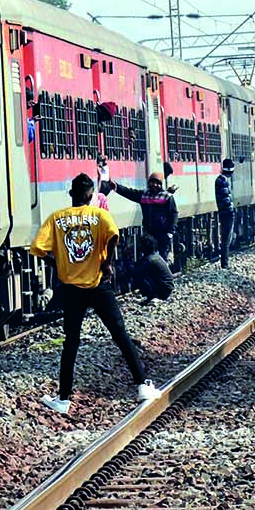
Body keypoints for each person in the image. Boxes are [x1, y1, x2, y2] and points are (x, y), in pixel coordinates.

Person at [30, 173, 160, 414]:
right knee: (120, 334)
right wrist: (107, 263)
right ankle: (142, 386)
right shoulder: (99, 215)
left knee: (71, 342)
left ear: (71, 194)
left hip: (72, 290)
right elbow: (113, 236)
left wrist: (57, 262)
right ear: (91, 196)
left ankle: (63, 399)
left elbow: (37, 248)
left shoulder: (56, 219)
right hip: (99, 285)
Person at [103, 171, 179, 262]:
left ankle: (162, 273)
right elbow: (130, 193)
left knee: (162, 256)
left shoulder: (167, 197)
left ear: (161, 185)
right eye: (152, 182)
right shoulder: (144, 195)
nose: (154, 185)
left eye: (157, 183)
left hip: (163, 233)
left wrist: (170, 232)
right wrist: (116, 187)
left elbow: (174, 214)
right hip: (150, 233)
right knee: (150, 256)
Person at [131, 233, 174, 303]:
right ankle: (152, 295)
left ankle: (152, 295)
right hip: (167, 287)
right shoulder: (156, 255)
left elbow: (136, 271)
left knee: (140, 276)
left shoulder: (149, 259)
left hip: (163, 290)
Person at [215, 158, 236, 269]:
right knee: (226, 239)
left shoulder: (220, 180)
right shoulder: (222, 181)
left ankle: (225, 263)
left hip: (223, 212)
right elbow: (226, 199)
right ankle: (225, 264)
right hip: (227, 213)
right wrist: (231, 210)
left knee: (226, 238)